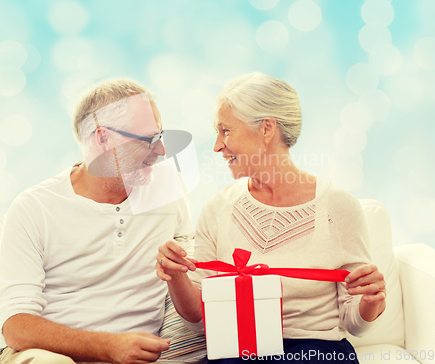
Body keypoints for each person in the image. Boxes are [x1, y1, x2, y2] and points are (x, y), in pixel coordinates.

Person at [156, 72, 386, 363]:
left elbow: (355, 322)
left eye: (226, 131)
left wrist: (371, 300)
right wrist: (175, 275)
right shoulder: (217, 209)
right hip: (240, 352)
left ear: (266, 129)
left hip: (316, 353)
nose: (217, 145)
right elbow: (199, 318)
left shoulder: (338, 208)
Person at [0, 78, 194, 364]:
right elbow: (16, 326)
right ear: (103, 138)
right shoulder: (34, 208)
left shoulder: (168, 188)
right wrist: (108, 347)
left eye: (161, 135)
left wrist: (177, 272)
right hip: (49, 355)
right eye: (149, 139)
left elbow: (193, 305)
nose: (162, 150)